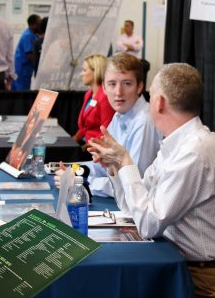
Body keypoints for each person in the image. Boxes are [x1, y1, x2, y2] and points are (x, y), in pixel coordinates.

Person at [87, 63, 215, 298]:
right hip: (182, 265)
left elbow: (147, 223)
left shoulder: (194, 152)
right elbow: (137, 206)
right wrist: (115, 168)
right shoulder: (179, 144)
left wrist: (126, 163)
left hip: (199, 281)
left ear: (158, 103)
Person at [55, 53, 160, 198]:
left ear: (139, 87)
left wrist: (79, 182)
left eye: (127, 83)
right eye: (112, 84)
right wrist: (75, 170)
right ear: (104, 87)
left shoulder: (144, 121)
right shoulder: (119, 115)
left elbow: (134, 185)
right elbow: (103, 167)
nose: (118, 92)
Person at [73, 53, 114, 145]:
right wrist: (74, 139)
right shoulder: (89, 94)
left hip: (95, 150)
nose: (81, 74)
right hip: (84, 144)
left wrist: (88, 147)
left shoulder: (105, 97)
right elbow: (84, 127)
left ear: (96, 71)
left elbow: (106, 130)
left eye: (84, 70)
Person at [11, 13, 41, 90]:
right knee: (22, 92)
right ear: (32, 25)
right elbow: (30, 55)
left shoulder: (34, 35)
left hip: (25, 70)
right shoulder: (28, 36)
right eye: (39, 24)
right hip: (22, 70)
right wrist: (39, 67)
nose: (40, 26)